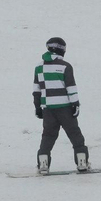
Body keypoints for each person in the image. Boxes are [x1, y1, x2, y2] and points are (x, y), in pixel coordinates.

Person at [33, 36, 88, 174]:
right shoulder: (65, 66)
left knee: (48, 136)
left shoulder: (39, 67)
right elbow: (71, 87)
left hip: (48, 109)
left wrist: (38, 107)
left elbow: (36, 90)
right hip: (65, 108)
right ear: (62, 50)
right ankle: (82, 161)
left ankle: (43, 163)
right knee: (75, 134)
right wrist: (75, 104)